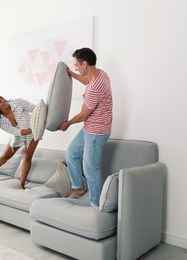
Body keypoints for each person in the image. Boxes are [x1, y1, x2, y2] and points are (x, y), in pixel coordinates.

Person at [58, 48, 113, 207]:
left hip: (97, 133)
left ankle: (97, 206)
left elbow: (83, 115)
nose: (75, 67)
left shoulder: (95, 88)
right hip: (91, 128)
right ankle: (78, 188)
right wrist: (72, 74)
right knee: (71, 153)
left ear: (85, 64)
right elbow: (87, 81)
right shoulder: (101, 74)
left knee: (90, 170)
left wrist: (67, 123)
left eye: (76, 65)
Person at [0, 94, 39, 189]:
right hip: (18, 134)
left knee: (27, 156)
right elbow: (16, 132)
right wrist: (33, 129)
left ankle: (22, 184)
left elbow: (35, 109)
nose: (3, 101)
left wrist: (37, 127)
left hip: (32, 132)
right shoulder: (1, 121)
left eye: (2, 98)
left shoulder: (18, 102)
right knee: (5, 156)